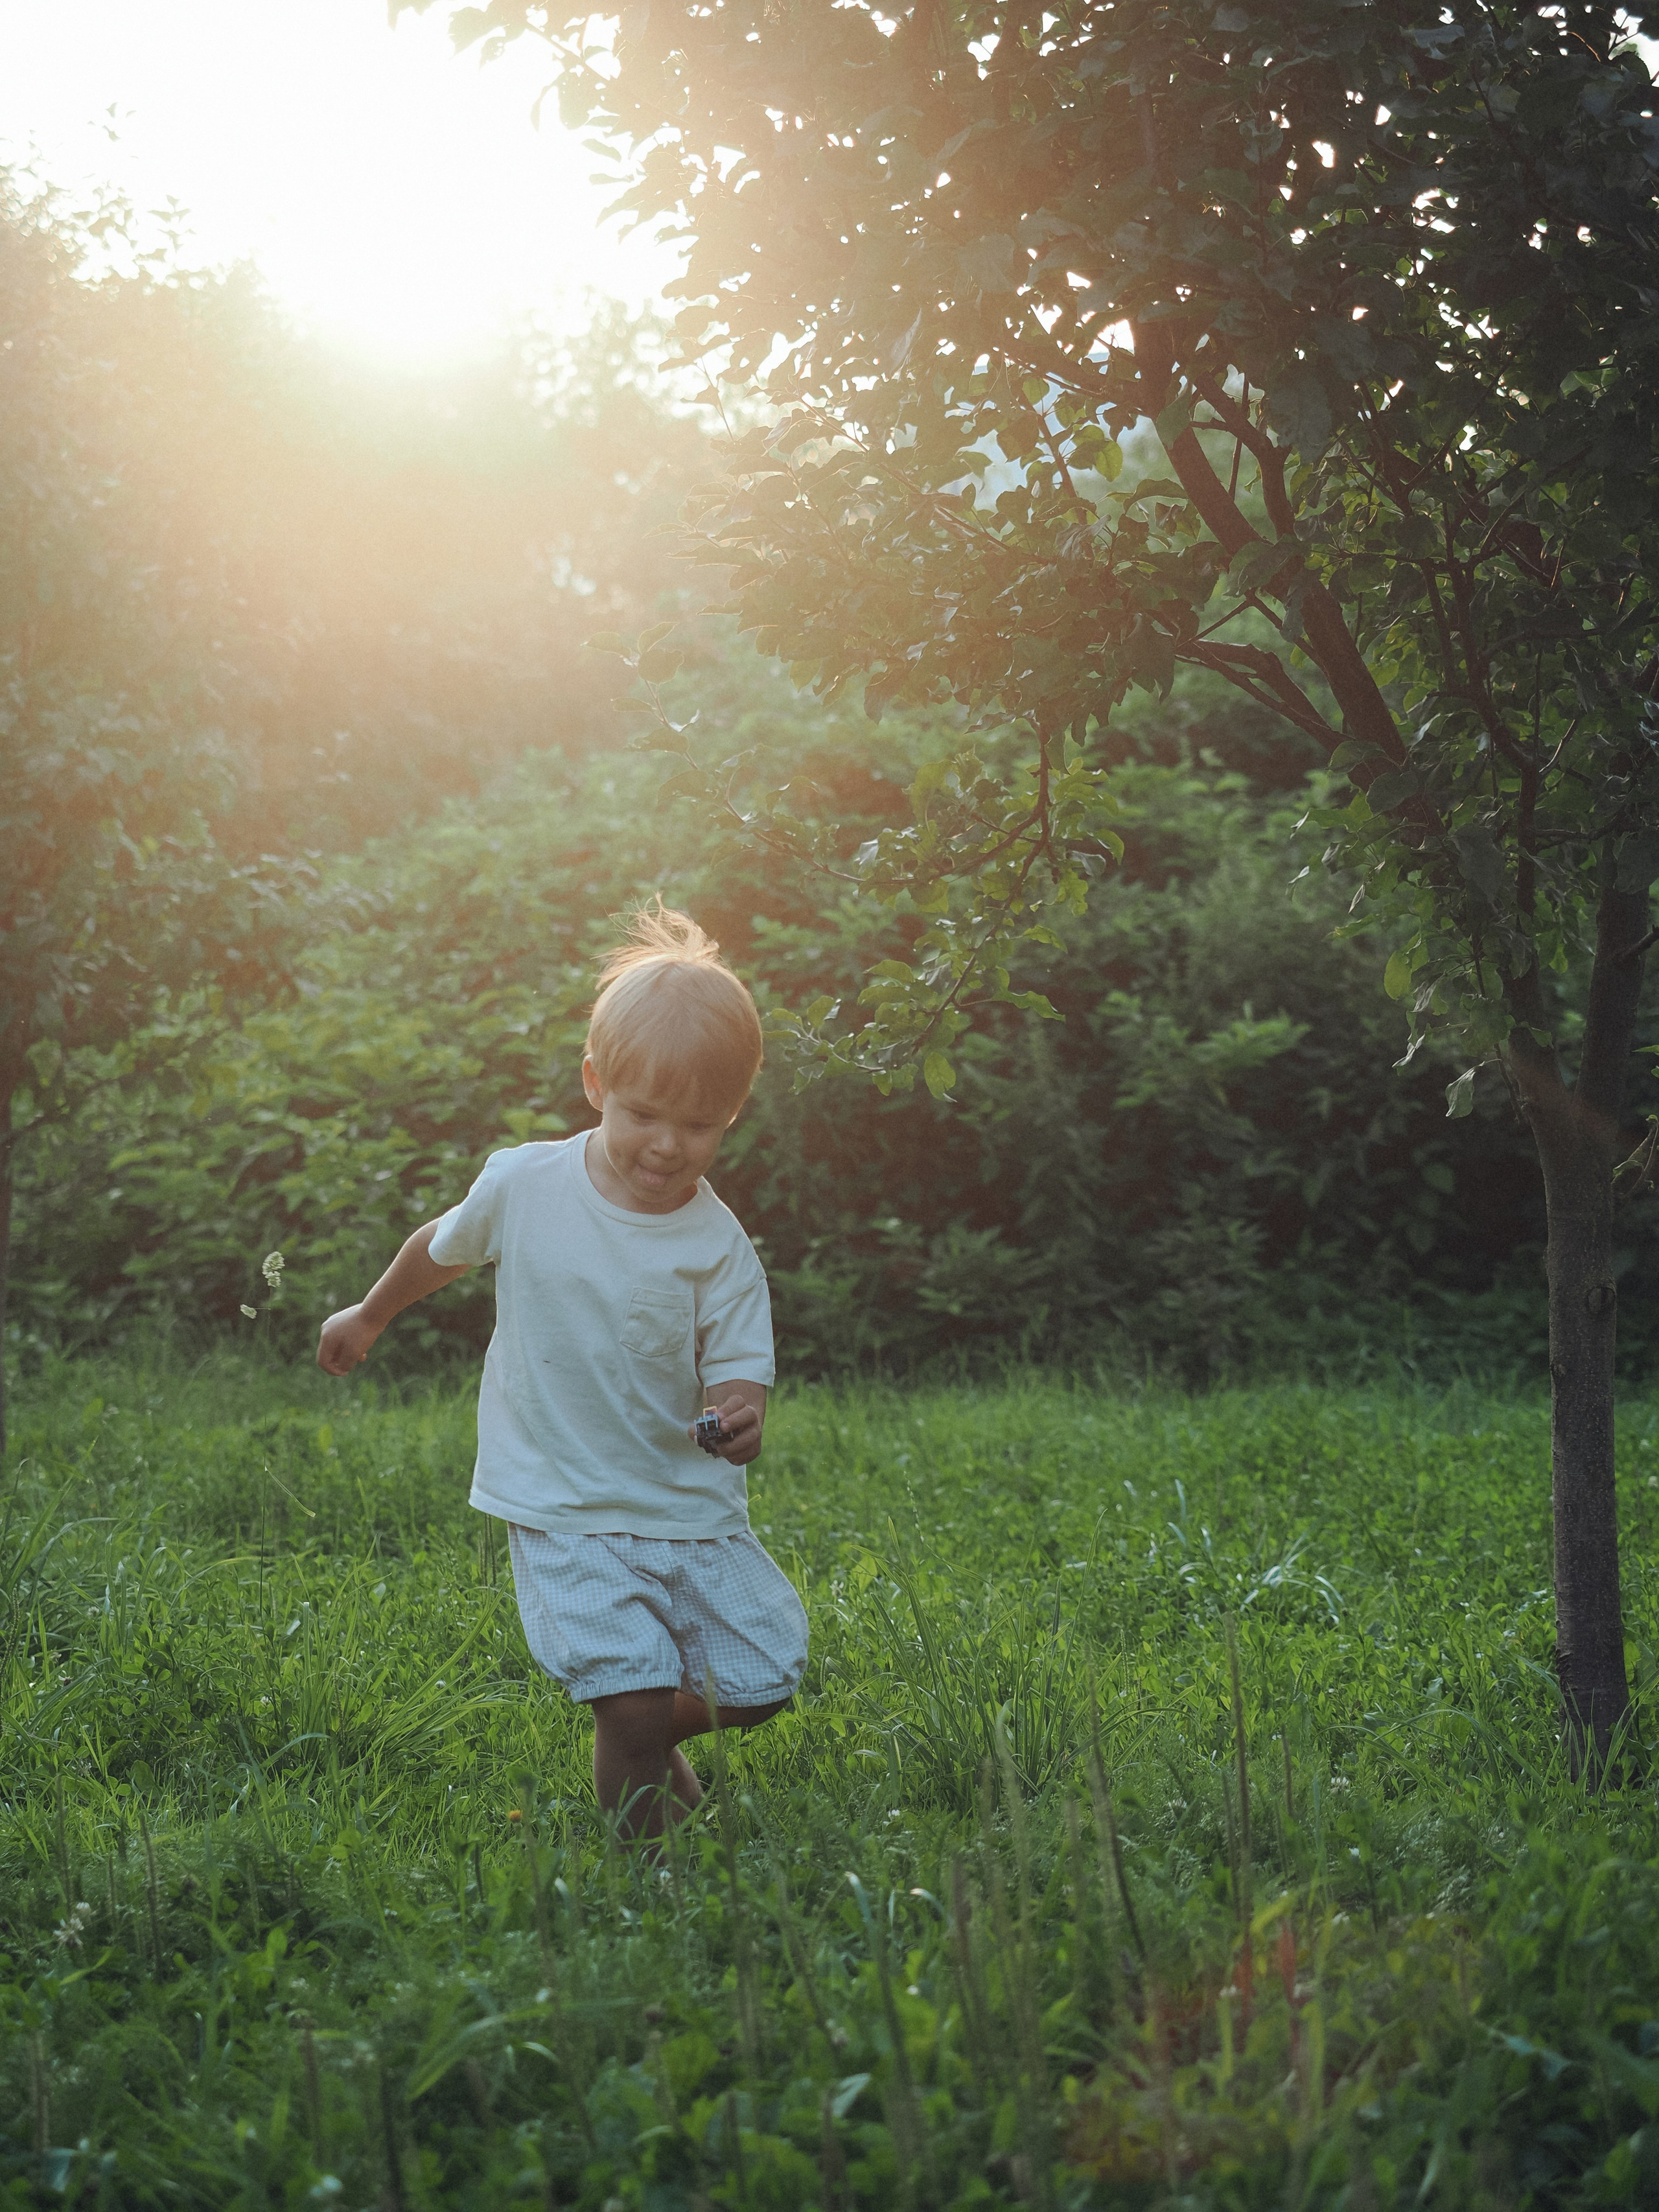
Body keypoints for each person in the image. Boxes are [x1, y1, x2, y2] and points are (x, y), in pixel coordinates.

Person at [316, 905, 806, 1837]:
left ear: (731, 1116)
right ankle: (647, 1873)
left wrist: (737, 1417)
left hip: (683, 1506)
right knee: (630, 1703)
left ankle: (634, 1732)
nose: (667, 1144)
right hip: (563, 1498)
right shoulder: (527, 1184)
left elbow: (740, 1378)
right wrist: (371, 1310)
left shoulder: (719, 1249)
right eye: (643, 1114)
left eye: (698, 1125)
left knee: (763, 1677)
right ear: (596, 1084)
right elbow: (442, 1246)